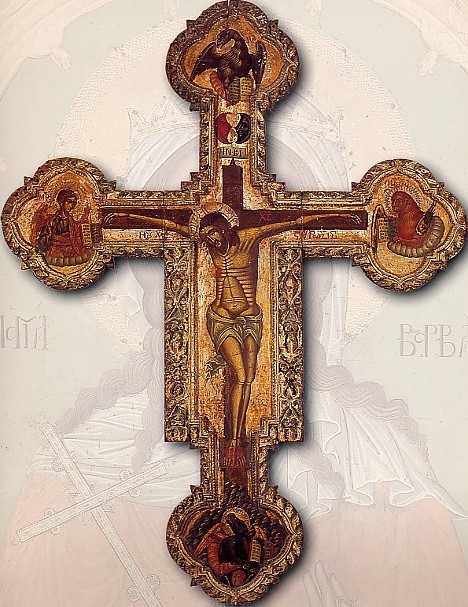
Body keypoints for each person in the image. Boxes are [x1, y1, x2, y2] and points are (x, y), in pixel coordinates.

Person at [34, 189, 91, 266]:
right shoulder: (52, 221)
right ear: (61, 202)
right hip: (56, 251)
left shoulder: (73, 222)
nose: (71, 206)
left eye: (74, 203)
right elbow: (44, 238)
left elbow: (78, 237)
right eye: (69, 202)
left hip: (72, 250)